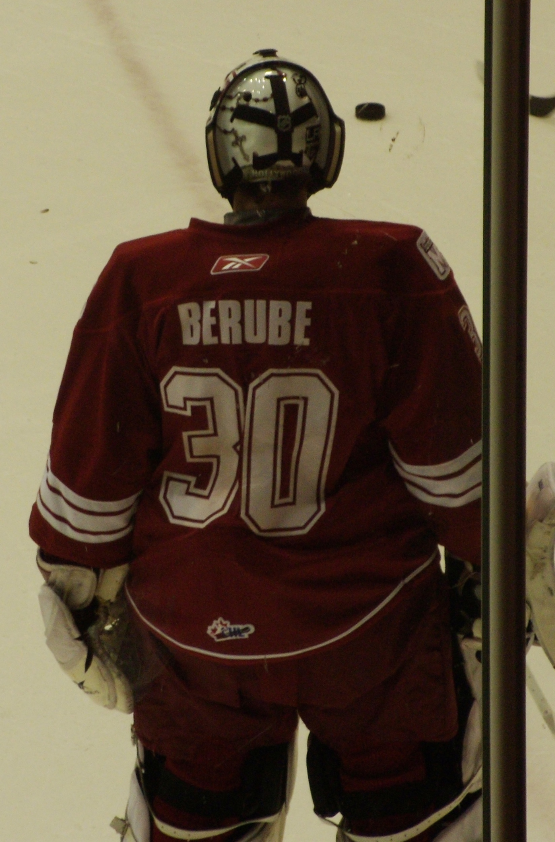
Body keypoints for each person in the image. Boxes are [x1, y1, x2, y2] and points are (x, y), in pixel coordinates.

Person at [30, 50, 484, 842]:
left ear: (218, 158)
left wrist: (68, 586)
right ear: (328, 153)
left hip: (192, 636)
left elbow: (90, 488)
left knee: (196, 803)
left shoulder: (141, 278)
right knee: (411, 797)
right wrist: (491, 577)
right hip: (365, 626)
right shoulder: (390, 265)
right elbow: (456, 483)